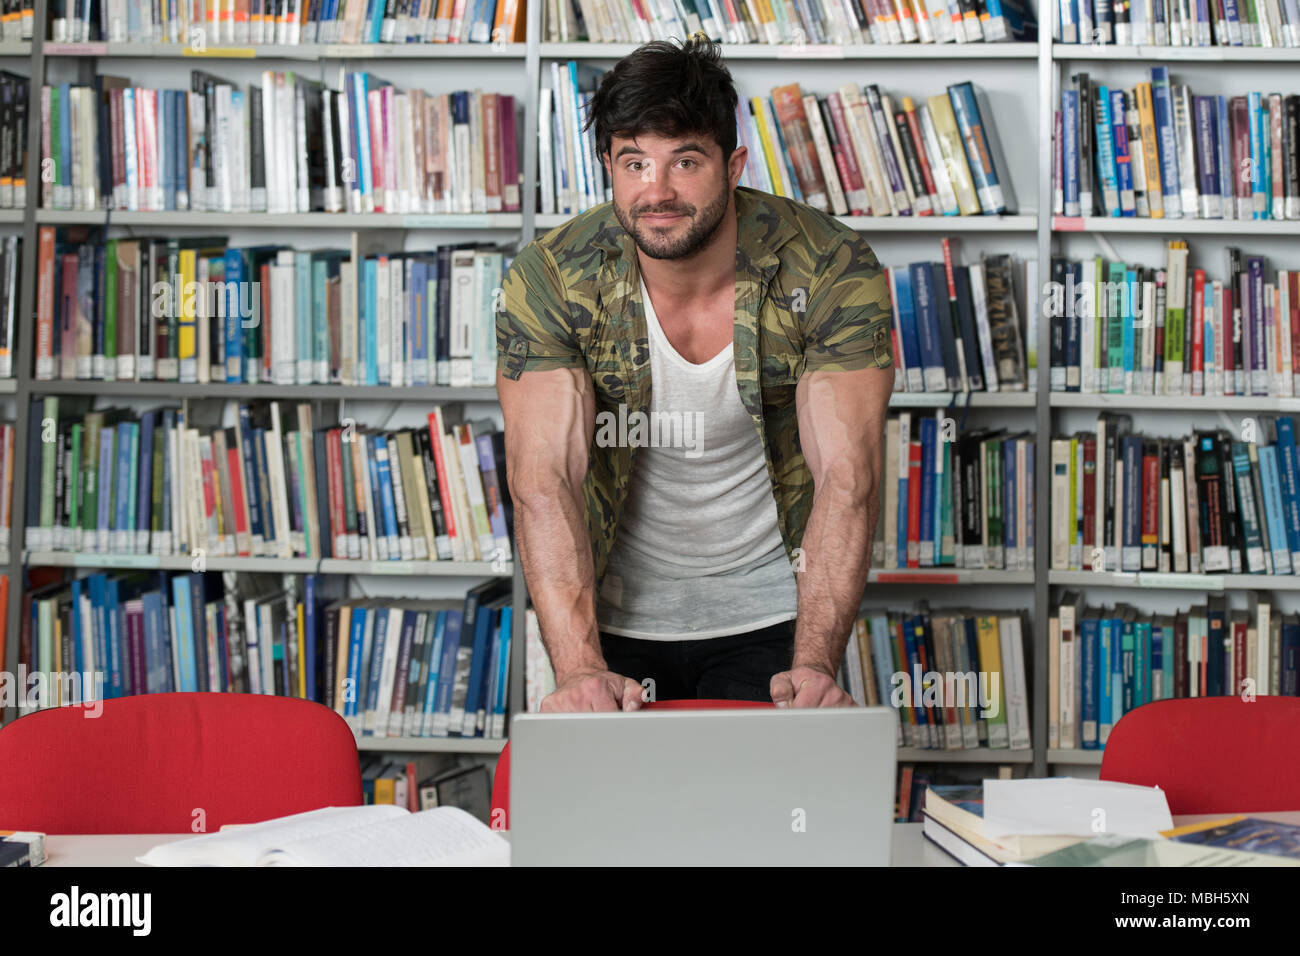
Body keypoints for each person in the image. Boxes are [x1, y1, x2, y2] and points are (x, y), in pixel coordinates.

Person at [496, 35, 894, 712]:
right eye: (634, 162)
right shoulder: (553, 276)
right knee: (618, 815)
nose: (657, 191)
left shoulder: (830, 267)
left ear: (732, 163)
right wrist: (577, 668)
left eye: (684, 160)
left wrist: (815, 660)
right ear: (608, 168)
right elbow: (542, 479)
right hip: (606, 618)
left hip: (771, 619)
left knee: (767, 813)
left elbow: (847, 475)